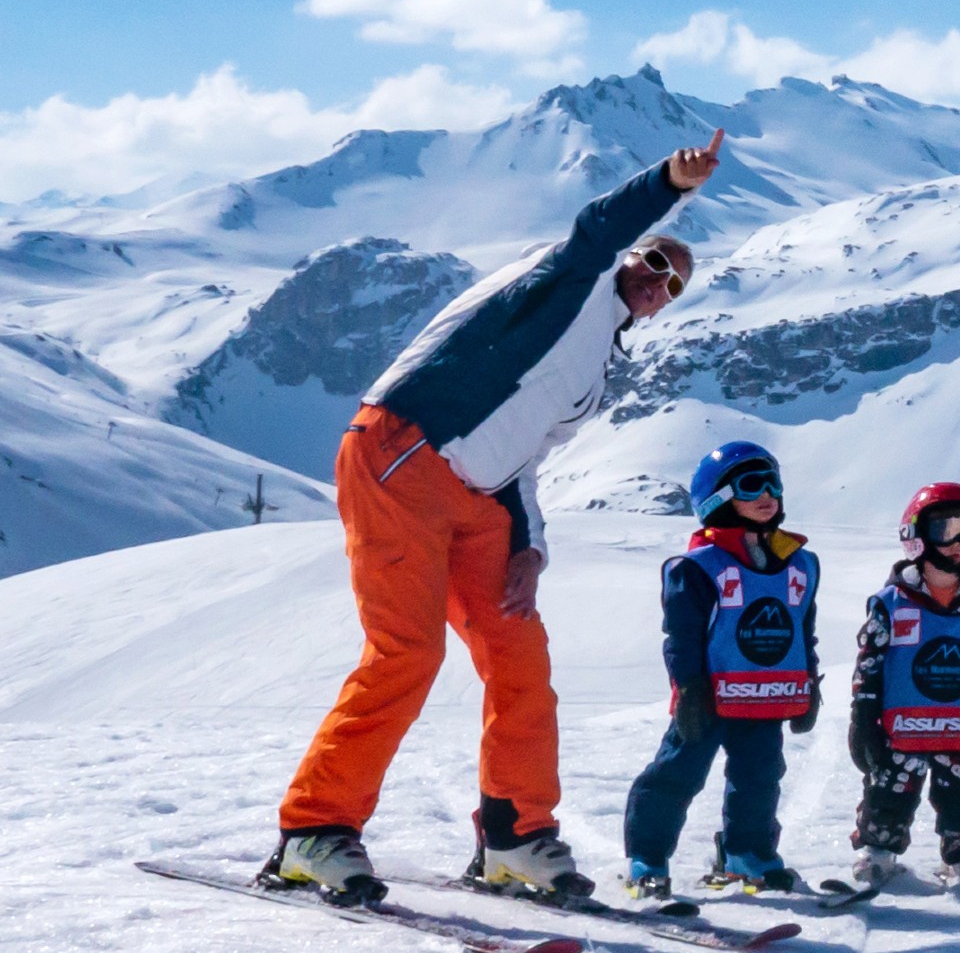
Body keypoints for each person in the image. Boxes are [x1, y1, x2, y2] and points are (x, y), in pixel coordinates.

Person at [267, 135, 724, 903]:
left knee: (520, 656)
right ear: (631, 257)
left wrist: (530, 548)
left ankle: (515, 835)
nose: (660, 284)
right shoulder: (568, 281)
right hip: (403, 452)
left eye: (674, 285)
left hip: (480, 497)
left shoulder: (595, 370)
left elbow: (525, 458)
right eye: (655, 264)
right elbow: (596, 230)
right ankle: (315, 830)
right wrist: (670, 184)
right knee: (406, 655)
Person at [623, 441, 822, 897]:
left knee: (760, 777)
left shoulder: (800, 564)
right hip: (709, 697)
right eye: (752, 485)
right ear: (716, 498)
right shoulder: (697, 567)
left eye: (774, 483)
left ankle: (748, 854)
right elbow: (682, 637)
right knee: (677, 775)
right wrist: (689, 689)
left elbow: (799, 631)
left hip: (766, 695)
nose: (767, 493)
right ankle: (647, 858)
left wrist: (808, 683)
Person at [845, 483, 960, 901]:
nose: (959, 544)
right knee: (888, 790)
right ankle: (878, 850)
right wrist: (862, 719)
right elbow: (868, 666)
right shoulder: (892, 604)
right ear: (916, 535)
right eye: (947, 530)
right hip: (901, 729)